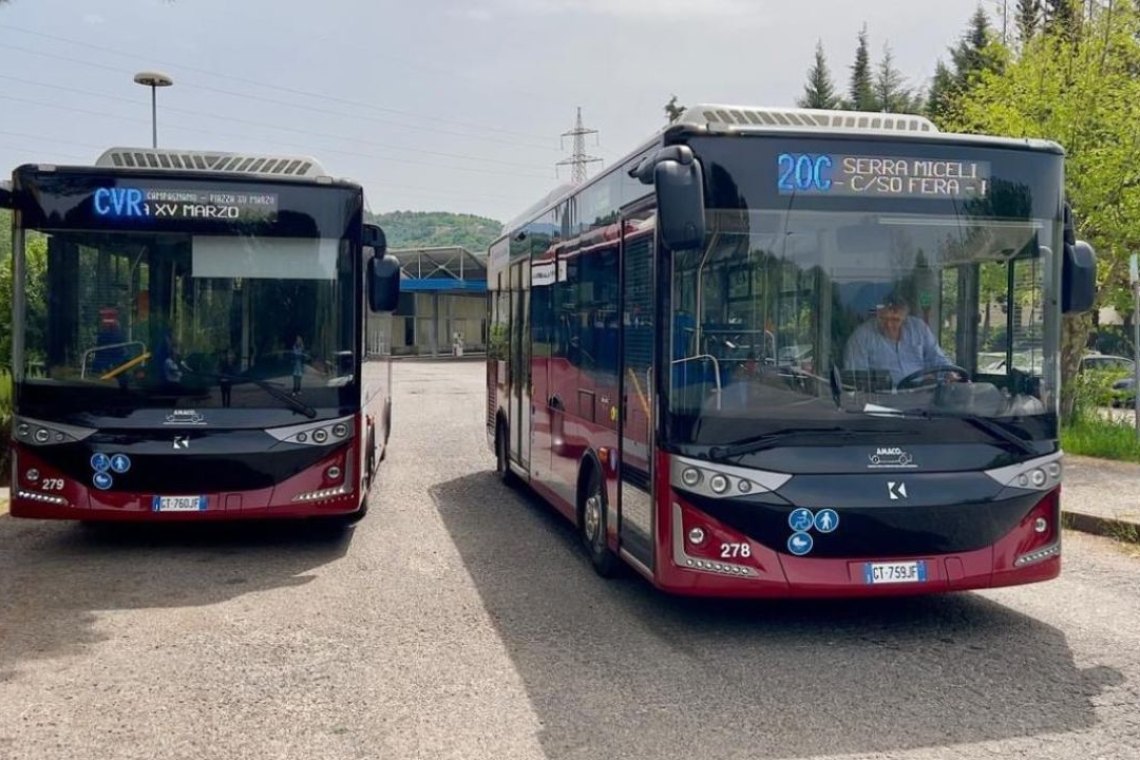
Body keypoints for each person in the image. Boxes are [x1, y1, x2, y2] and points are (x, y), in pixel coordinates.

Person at [843, 292, 957, 387]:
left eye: (895, 320)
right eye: (884, 319)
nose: (889, 325)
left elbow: (936, 358)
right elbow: (856, 379)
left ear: (905, 318)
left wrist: (949, 374)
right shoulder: (861, 337)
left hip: (923, 395)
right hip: (884, 401)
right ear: (878, 314)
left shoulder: (919, 328)